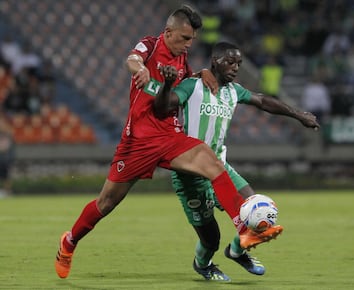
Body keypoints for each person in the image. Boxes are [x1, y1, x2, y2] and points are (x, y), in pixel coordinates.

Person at [54, 5, 282, 279]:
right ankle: (69, 243)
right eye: (185, 38)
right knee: (106, 203)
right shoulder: (150, 45)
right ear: (168, 32)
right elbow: (132, 60)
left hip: (169, 135)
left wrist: (201, 73)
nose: (188, 44)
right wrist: (141, 70)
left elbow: (183, 84)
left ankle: (244, 231)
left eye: (192, 40)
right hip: (137, 141)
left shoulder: (182, 59)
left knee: (213, 163)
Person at [155, 42, 320, 281]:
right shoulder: (193, 85)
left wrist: (298, 114)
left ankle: (236, 251)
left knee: (257, 212)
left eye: (239, 64)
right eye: (229, 62)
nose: (235, 68)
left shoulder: (234, 91)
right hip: (190, 173)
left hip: (220, 167)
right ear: (215, 61)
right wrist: (167, 84)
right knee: (210, 239)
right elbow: (162, 107)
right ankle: (203, 264)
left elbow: (262, 101)